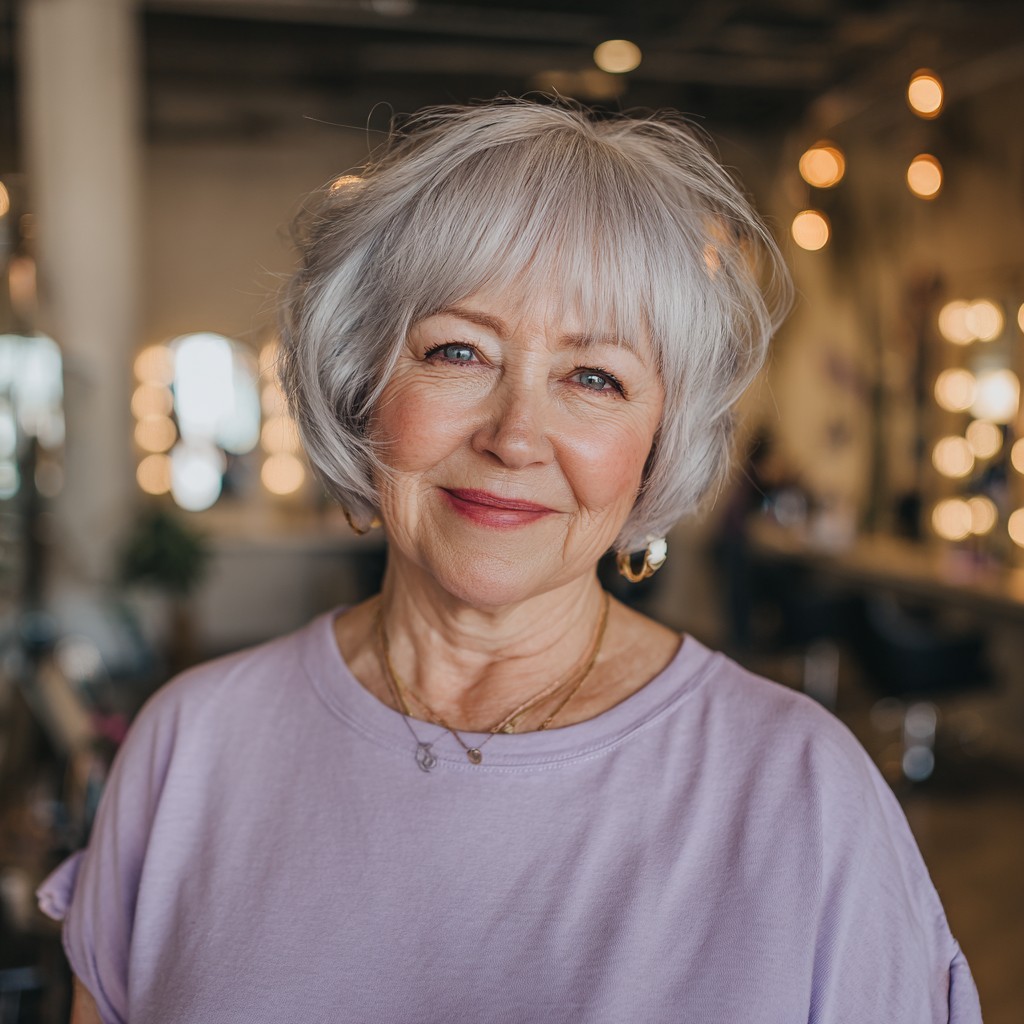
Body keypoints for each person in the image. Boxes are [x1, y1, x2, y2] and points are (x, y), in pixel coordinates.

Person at [39, 98, 981, 1023]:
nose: (516, 435)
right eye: (458, 351)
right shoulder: (189, 750)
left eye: (595, 376)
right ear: (362, 384)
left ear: (658, 443)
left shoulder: (801, 794)